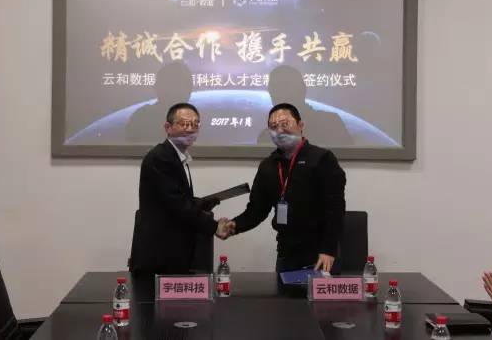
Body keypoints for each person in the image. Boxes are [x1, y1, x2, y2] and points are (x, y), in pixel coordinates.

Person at [228, 102, 346, 274]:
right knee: (283, 291)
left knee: (320, 293)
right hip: (286, 252)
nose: (280, 130)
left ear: (300, 125)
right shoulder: (268, 166)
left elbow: (335, 208)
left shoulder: (322, 159)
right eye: (273, 126)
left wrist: (328, 249)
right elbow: (256, 211)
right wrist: (233, 225)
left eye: (285, 124)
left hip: (320, 253)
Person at [129, 102, 232, 278]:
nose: (190, 129)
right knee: (153, 296)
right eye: (184, 123)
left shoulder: (177, 157)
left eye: (195, 124)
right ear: (168, 127)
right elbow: (177, 204)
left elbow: (177, 198)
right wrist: (214, 226)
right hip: (159, 254)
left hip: (172, 252)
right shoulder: (161, 157)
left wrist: (202, 203)